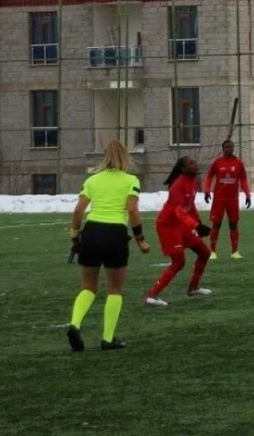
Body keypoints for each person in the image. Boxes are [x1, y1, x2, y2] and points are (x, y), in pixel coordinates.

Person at [66, 139, 151, 351]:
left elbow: (78, 211)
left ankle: (75, 324)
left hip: (92, 233)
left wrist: (75, 238)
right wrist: (140, 239)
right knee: (115, 289)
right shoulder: (131, 180)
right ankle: (108, 338)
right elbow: (132, 210)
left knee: (88, 287)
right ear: (125, 157)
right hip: (115, 235)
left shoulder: (93, 180)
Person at [145, 156, 214, 306]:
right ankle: (152, 295)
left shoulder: (194, 182)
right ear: (183, 169)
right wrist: (195, 226)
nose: (195, 164)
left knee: (204, 253)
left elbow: (190, 206)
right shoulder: (177, 185)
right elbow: (179, 211)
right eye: (191, 163)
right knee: (179, 262)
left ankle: (193, 288)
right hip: (168, 226)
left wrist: (199, 223)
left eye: (195, 162)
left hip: (181, 224)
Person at [203, 139, 252, 260]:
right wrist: (206, 190)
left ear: (233, 148)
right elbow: (209, 176)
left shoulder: (239, 164)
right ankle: (212, 252)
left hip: (233, 199)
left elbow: (243, 180)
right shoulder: (217, 163)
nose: (229, 149)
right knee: (216, 224)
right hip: (219, 199)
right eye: (226, 147)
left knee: (233, 224)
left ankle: (235, 252)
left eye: (231, 147)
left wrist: (247, 194)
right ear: (222, 149)